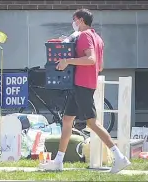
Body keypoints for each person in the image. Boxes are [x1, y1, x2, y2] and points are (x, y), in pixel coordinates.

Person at [39, 8, 131, 174]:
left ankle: (120, 158)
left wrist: (67, 60)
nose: (73, 23)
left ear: (81, 20)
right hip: (84, 84)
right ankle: (58, 161)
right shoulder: (98, 38)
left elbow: (91, 60)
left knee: (91, 123)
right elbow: (100, 66)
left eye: (74, 19)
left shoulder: (84, 36)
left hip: (82, 85)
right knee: (67, 120)